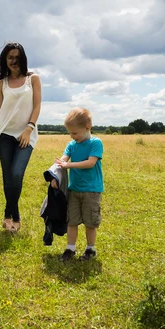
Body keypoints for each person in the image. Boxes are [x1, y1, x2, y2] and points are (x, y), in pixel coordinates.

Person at [0, 42, 41, 233]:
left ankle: (8, 213)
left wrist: (29, 128)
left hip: (26, 134)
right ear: (5, 60)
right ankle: (13, 218)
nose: (14, 61)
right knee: (8, 176)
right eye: (10, 57)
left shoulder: (32, 79)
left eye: (17, 57)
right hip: (4, 134)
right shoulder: (2, 83)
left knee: (17, 174)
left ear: (23, 58)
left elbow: (36, 107)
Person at [55, 107, 104, 261]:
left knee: (90, 223)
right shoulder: (72, 145)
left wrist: (68, 165)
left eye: (75, 133)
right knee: (72, 221)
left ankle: (90, 249)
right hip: (74, 190)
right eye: (70, 133)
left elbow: (90, 163)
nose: (72, 136)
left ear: (87, 128)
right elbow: (64, 159)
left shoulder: (95, 143)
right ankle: (70, 248)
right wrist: (56, 173)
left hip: (91, 190)